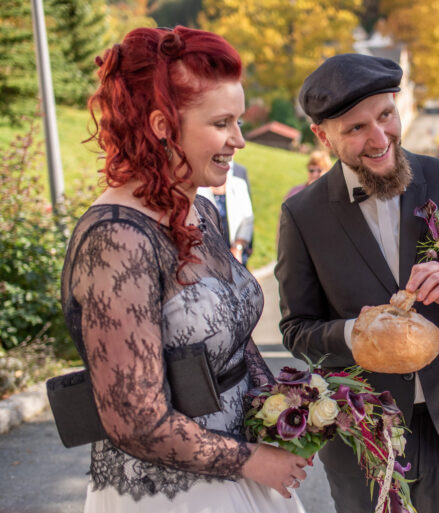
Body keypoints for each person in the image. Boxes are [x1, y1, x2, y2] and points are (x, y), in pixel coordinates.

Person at [61, 26, 308, 512]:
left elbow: (235, 336)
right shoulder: (116, 239)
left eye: (238, 122)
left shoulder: (201, 210)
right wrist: (252, 460)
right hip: (168, 492)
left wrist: (282, 402)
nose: (239, 140)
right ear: (161, 125)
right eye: (221, 123)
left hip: (241, 468)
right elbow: (135, 421)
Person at [276, 53, 439, 513]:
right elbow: (297, 329)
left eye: (386, 116)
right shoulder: (302, 214)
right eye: (355, 129)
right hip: (361, 434)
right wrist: (356, 333)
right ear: (322, 135)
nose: (379, 139)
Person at [198, 161, 255, 265]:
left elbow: (247, 220)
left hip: (234, 253)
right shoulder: (200, 188)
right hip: (207, 256)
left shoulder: (238, 184)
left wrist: (238, 247)